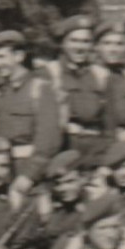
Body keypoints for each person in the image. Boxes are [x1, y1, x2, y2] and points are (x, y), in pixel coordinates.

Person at [0, 29, 63, 170]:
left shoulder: (39, 89)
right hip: (1, 170)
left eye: (1, 57)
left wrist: (29, 177)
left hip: (27, 169)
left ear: (19, 56)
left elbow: (48, 142)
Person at [45, 15, 115, 166]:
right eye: (74, 41)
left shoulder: (101, 75)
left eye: (85, 42)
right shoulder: (51, 73)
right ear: (63, 43)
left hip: (95, 153)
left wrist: (104, 160)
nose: (80, 47)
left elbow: (109, 126)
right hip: (62, 151)